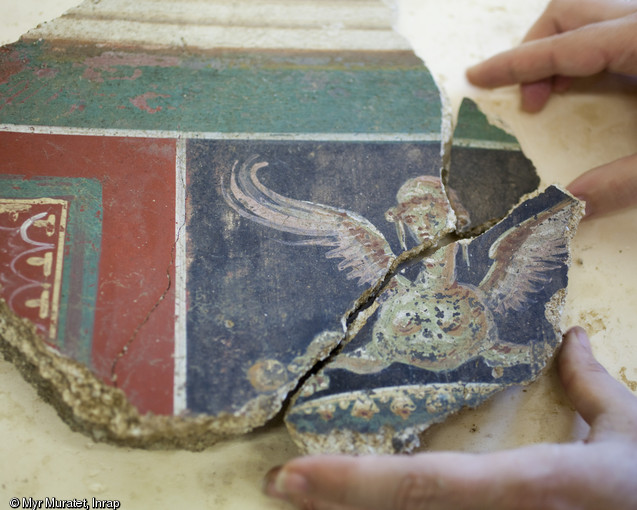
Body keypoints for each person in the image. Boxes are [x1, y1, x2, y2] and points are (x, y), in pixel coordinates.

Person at [262, 1, 637, 508]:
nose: (424, 221)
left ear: (455, 213)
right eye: (412, 213)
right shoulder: (384, 273)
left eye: (434, 209)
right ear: (398, 221)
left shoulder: (498, 265)